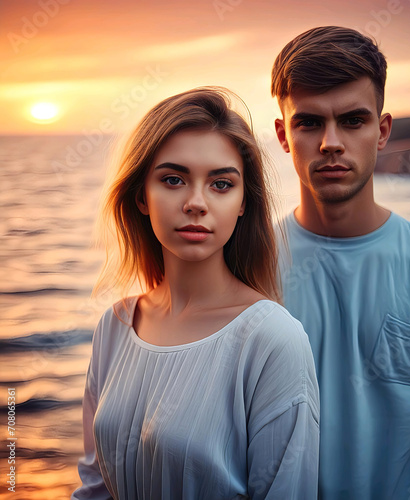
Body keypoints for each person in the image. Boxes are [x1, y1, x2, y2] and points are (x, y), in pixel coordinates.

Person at [271, 26, 410, 500]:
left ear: (383, 131)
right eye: (309, 122)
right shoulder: (239, 266)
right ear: (283, 135)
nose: (331, 142)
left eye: (353, 120)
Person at [71, 87, 320, 499]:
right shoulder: (115, 325)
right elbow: (94, 486)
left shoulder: (273, 340)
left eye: (221, 184)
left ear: (243, 203)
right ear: (141, 196)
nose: (196, 203)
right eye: (173, 179)